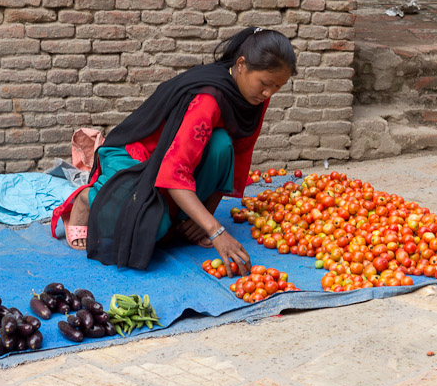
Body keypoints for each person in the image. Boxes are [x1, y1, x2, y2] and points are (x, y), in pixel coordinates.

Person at [51, 27, 296, 275]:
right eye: (265, 83)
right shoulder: (208, 99)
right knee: (147, 230)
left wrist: (206, 218)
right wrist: (216, 230)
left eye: (278, 86)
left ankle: (178, 215)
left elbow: (239, 156)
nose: (269, 93)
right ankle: (86, 199)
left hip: (180, 159)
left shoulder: (255, 99)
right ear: (241, 65)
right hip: (136, 156)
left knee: (222, 143)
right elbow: (173, 171)